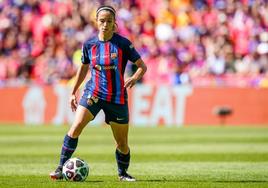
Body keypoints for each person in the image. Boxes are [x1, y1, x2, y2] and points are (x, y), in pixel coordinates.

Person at [49, 5, 147, 182]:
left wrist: (134, 77)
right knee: (76, 126)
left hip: (117, 97)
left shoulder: (123, 44)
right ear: (96, 22)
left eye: (109, 21)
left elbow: (142, 66)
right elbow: (83, 69)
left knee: (122, 143)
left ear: (114, 23)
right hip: (93, 93)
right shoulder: (89, 45)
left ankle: (122, 174)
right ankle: (60, 167)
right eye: (102, 21)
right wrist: (73, 91)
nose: (105, 24)